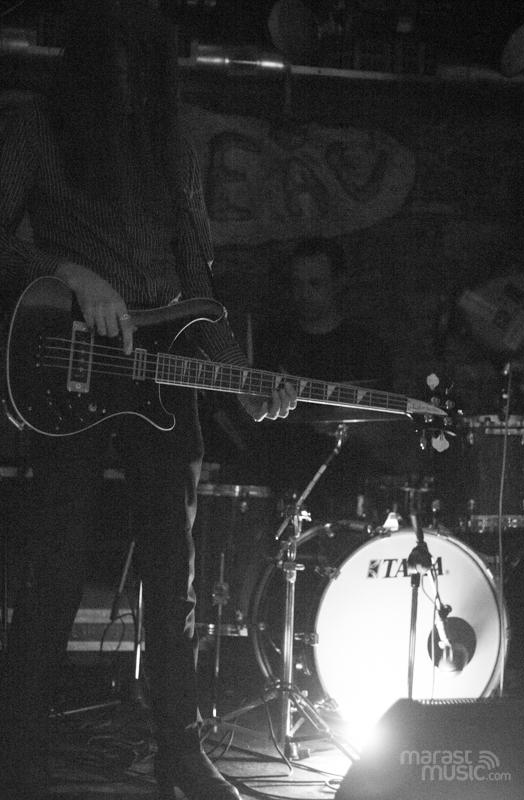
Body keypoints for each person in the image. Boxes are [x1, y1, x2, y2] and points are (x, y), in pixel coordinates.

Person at [0, 3, 296, 799]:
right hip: (70, 368)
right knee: (57, 562)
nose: (133, 84)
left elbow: (197, 286)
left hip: (163, 374)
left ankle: (180, 754)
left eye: (146, 68)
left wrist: (240, 375)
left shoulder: (171, 147)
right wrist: (68, 272)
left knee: (175, 572)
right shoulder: (36, 129)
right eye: (120, 64)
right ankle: (18, 757)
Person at [254, 236, 403, 524]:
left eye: (315, 283)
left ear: (338, 283)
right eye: (297, 284)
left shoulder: (366, 347)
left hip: (349, 489)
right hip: (280, 484)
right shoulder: (273, 343)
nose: (304, 293)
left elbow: (386, 432)